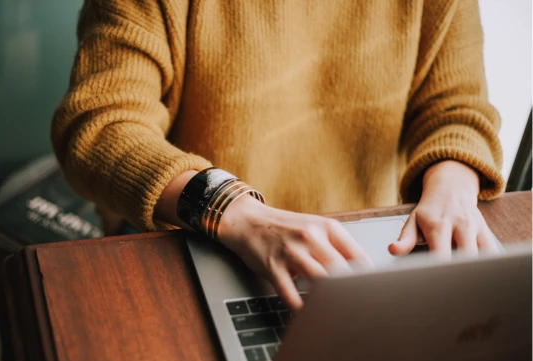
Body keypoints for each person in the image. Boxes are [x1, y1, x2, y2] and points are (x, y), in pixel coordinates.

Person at [51, 0, 504, 310]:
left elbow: (457, 108)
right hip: (190, 239)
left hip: (362, 252)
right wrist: (230, 209)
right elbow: (99, 126)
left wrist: (454, 182)